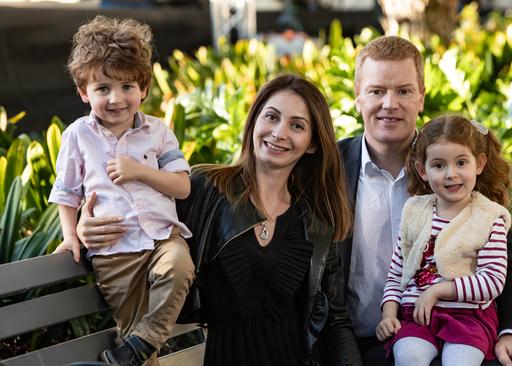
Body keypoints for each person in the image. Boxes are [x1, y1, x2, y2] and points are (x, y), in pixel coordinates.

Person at [75, 74, 363, 366]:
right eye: (272, 117)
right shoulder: (206, 189)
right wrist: (81, 229)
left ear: (312, 144)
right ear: (254, 122)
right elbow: (138, 216)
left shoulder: (315, 224)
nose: (279, 132)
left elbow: (335, 322)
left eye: (297, 126)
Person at [337, 35, 512, 366]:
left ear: (421, 98)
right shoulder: (330, 168)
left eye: (403, 91)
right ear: (358, 97)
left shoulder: (454, 167)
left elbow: (510, 265)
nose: (390, 103)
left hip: (457, 338)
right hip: (357, 343)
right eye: (376, 91)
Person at [48, 16, 194, 366]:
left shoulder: (158, 132)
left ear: (143, 88)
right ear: (84, 92)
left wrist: (139, 171)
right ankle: (142, 345)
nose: (117, 98)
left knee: (180, 266)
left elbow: (183, 186)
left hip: (162, 238)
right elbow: (67, 192)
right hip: (115, 253)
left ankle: (144, 341)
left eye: (127, 86)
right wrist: (71, 236)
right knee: (137, 350)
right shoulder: (78, 136)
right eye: (103, 88)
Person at [377, 115, 512, 365]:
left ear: (479, 164)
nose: (451, 174)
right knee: (408, 356)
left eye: (461, 162)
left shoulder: (488, 218)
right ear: (422, 171)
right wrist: (388, 313)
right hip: (417, 315)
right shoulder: (414, 212)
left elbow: (493, 280)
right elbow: (398, 271)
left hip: (468, 317)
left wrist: (438, 290)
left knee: (459, 361)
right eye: (439, 165)